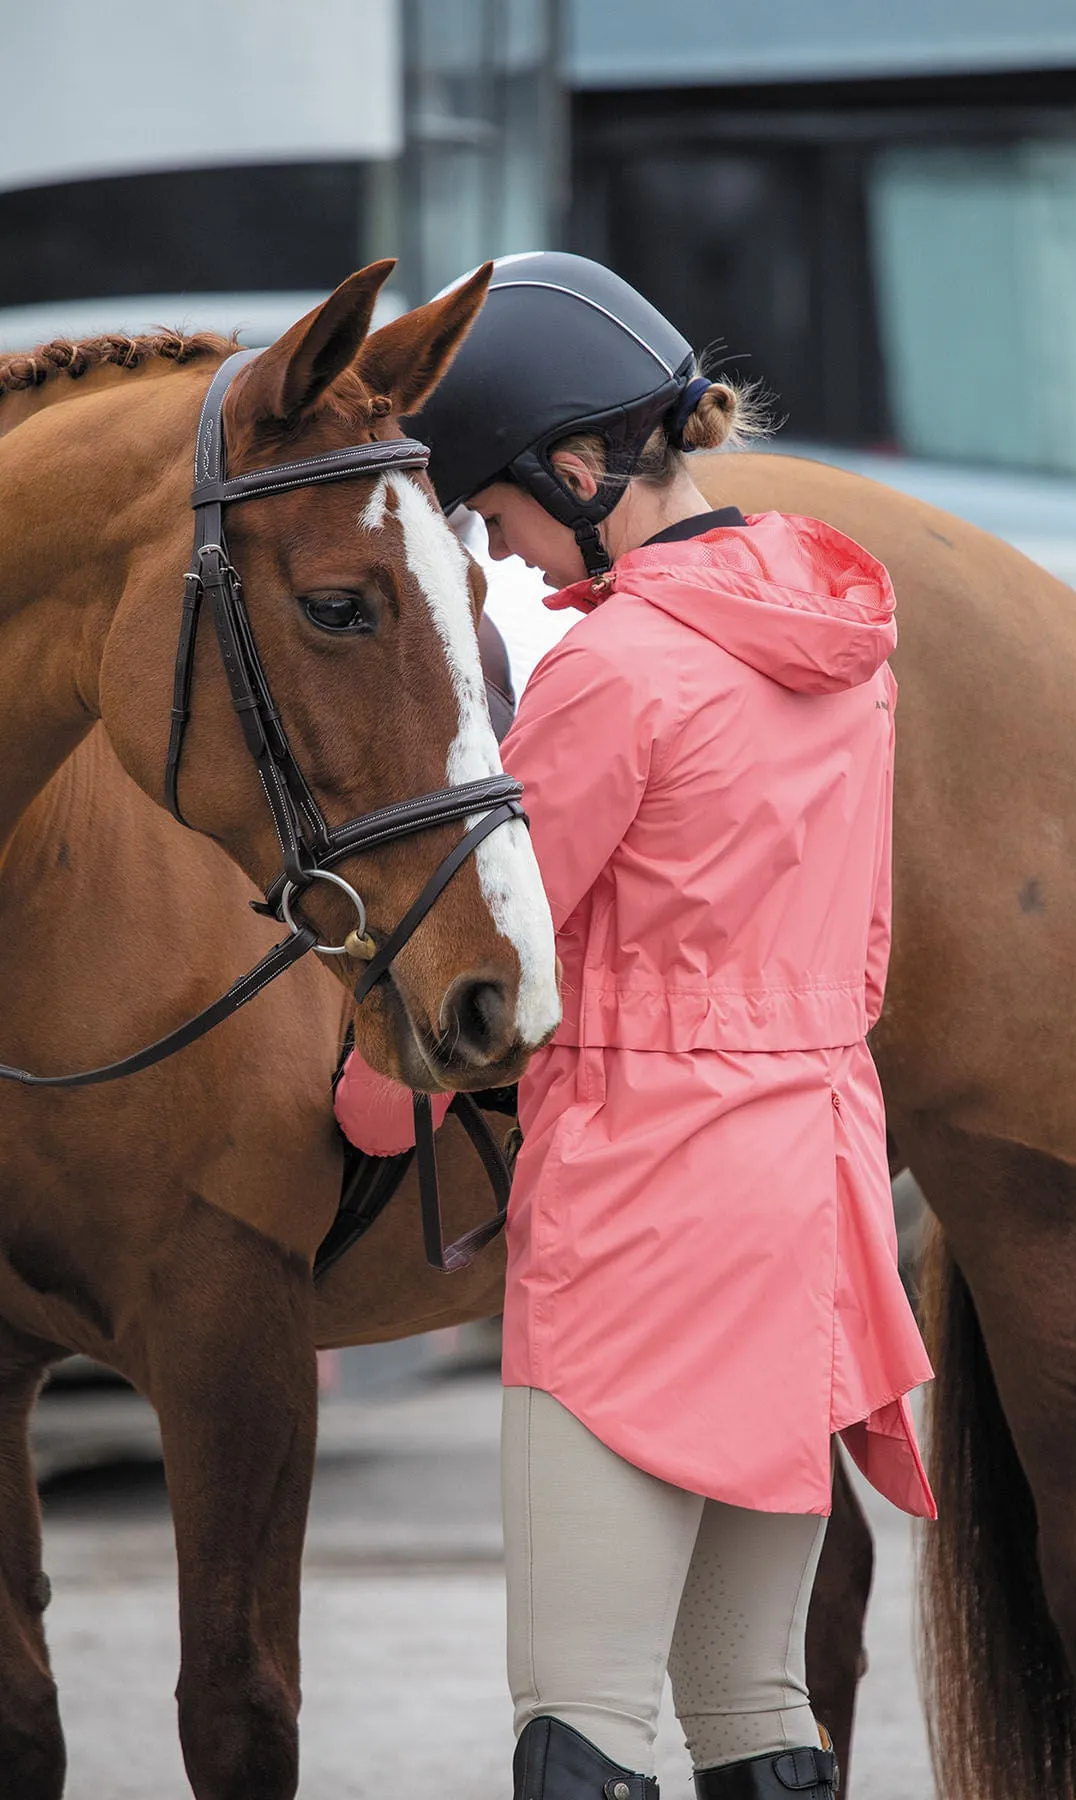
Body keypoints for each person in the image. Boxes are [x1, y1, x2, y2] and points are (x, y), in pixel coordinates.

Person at [337, 252, 935, 1800]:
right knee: (756, 1703)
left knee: (580, 1721)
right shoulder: (843, 646)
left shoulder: (613, 671)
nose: (505, 555)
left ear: (580, 467)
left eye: (496, 508)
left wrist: (372, 1097)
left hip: (645, 1215)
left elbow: (499, 965)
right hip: (811, 1195)